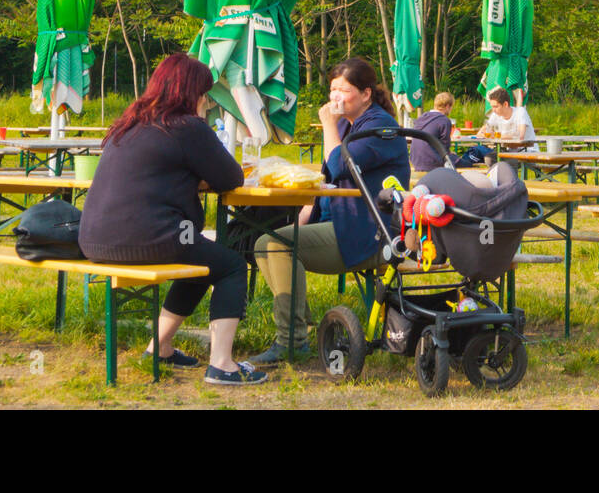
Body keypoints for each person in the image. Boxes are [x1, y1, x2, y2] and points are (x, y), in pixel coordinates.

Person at [77, 53, 266, 386]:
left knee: (199, 255)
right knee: (231, 265)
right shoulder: (187, 126)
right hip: (148, 238)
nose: (207, 101)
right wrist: (199, 178)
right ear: (190, 92)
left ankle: (160, 346)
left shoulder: (131, 121)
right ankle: (222, 364)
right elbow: (231, 177)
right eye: (205, 94)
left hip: (94, 238)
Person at [250, 57, 410, 364]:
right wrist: (306, 213)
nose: (335, 96)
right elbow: (327, 178)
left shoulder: (379, 127)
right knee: (263, 244)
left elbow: (338, 165)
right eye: (333, 89)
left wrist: (326, 123)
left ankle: (292, 340)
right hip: (345, 223)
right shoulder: (348, 125)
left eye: (343, 89)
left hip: (372, 233)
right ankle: (299, 326)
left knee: (277, 246)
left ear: (365, 94)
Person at [410, 92, 491, 169]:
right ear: (448, 106)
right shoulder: (444, 120)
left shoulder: (422, 117)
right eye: (451, 107)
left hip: (415, 160)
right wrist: (450, 154)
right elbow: (445, 147)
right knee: (468, 166)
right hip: (432, 162)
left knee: (457, 159)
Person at [481, 87, 538, 153]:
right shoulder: (495, 114)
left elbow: (520, 136)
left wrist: (496, 136)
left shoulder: (520, 112)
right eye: (492, 107)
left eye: (496, 106)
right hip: (508, 151)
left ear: (505, 104)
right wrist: (484, 133)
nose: (493, 110)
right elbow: (482, 131)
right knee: (488, 158)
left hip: (527, 151)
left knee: (496, 158)